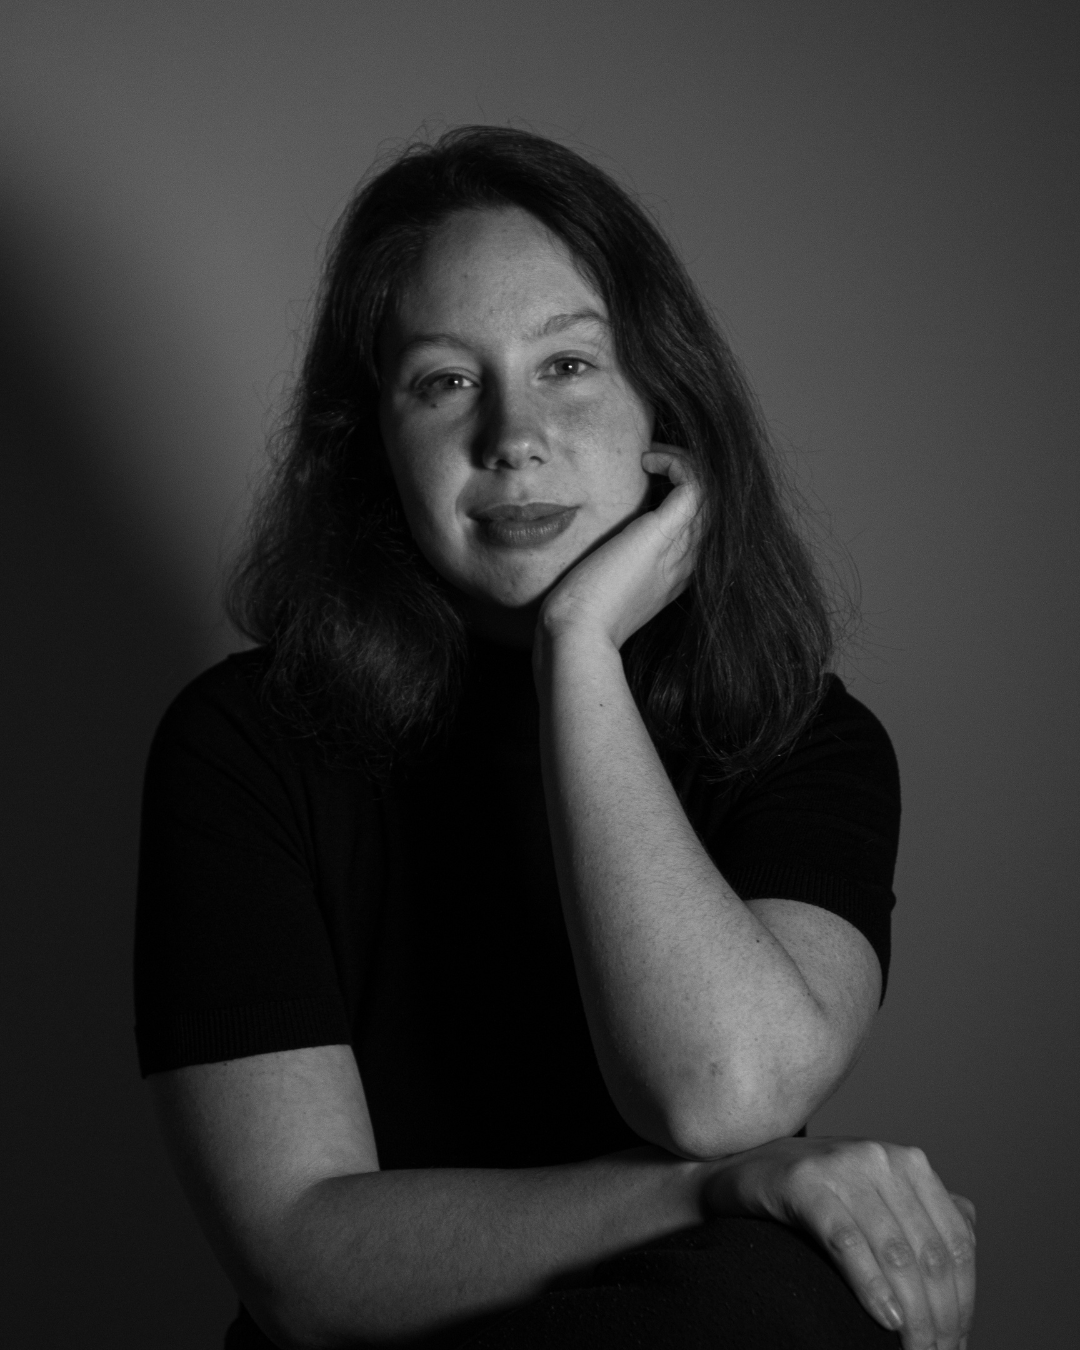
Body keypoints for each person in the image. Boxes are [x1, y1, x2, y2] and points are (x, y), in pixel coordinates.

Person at [135, 127, 976, 1350]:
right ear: (374, 442)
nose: (513, 435)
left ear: (663, 406)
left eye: (570, 364)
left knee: (776, 1299)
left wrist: (578, 652)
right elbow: (301, 1263)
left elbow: (721, 1091)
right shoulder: (241, 746)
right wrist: (706, 1196)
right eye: (444, 382)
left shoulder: (800, 741)